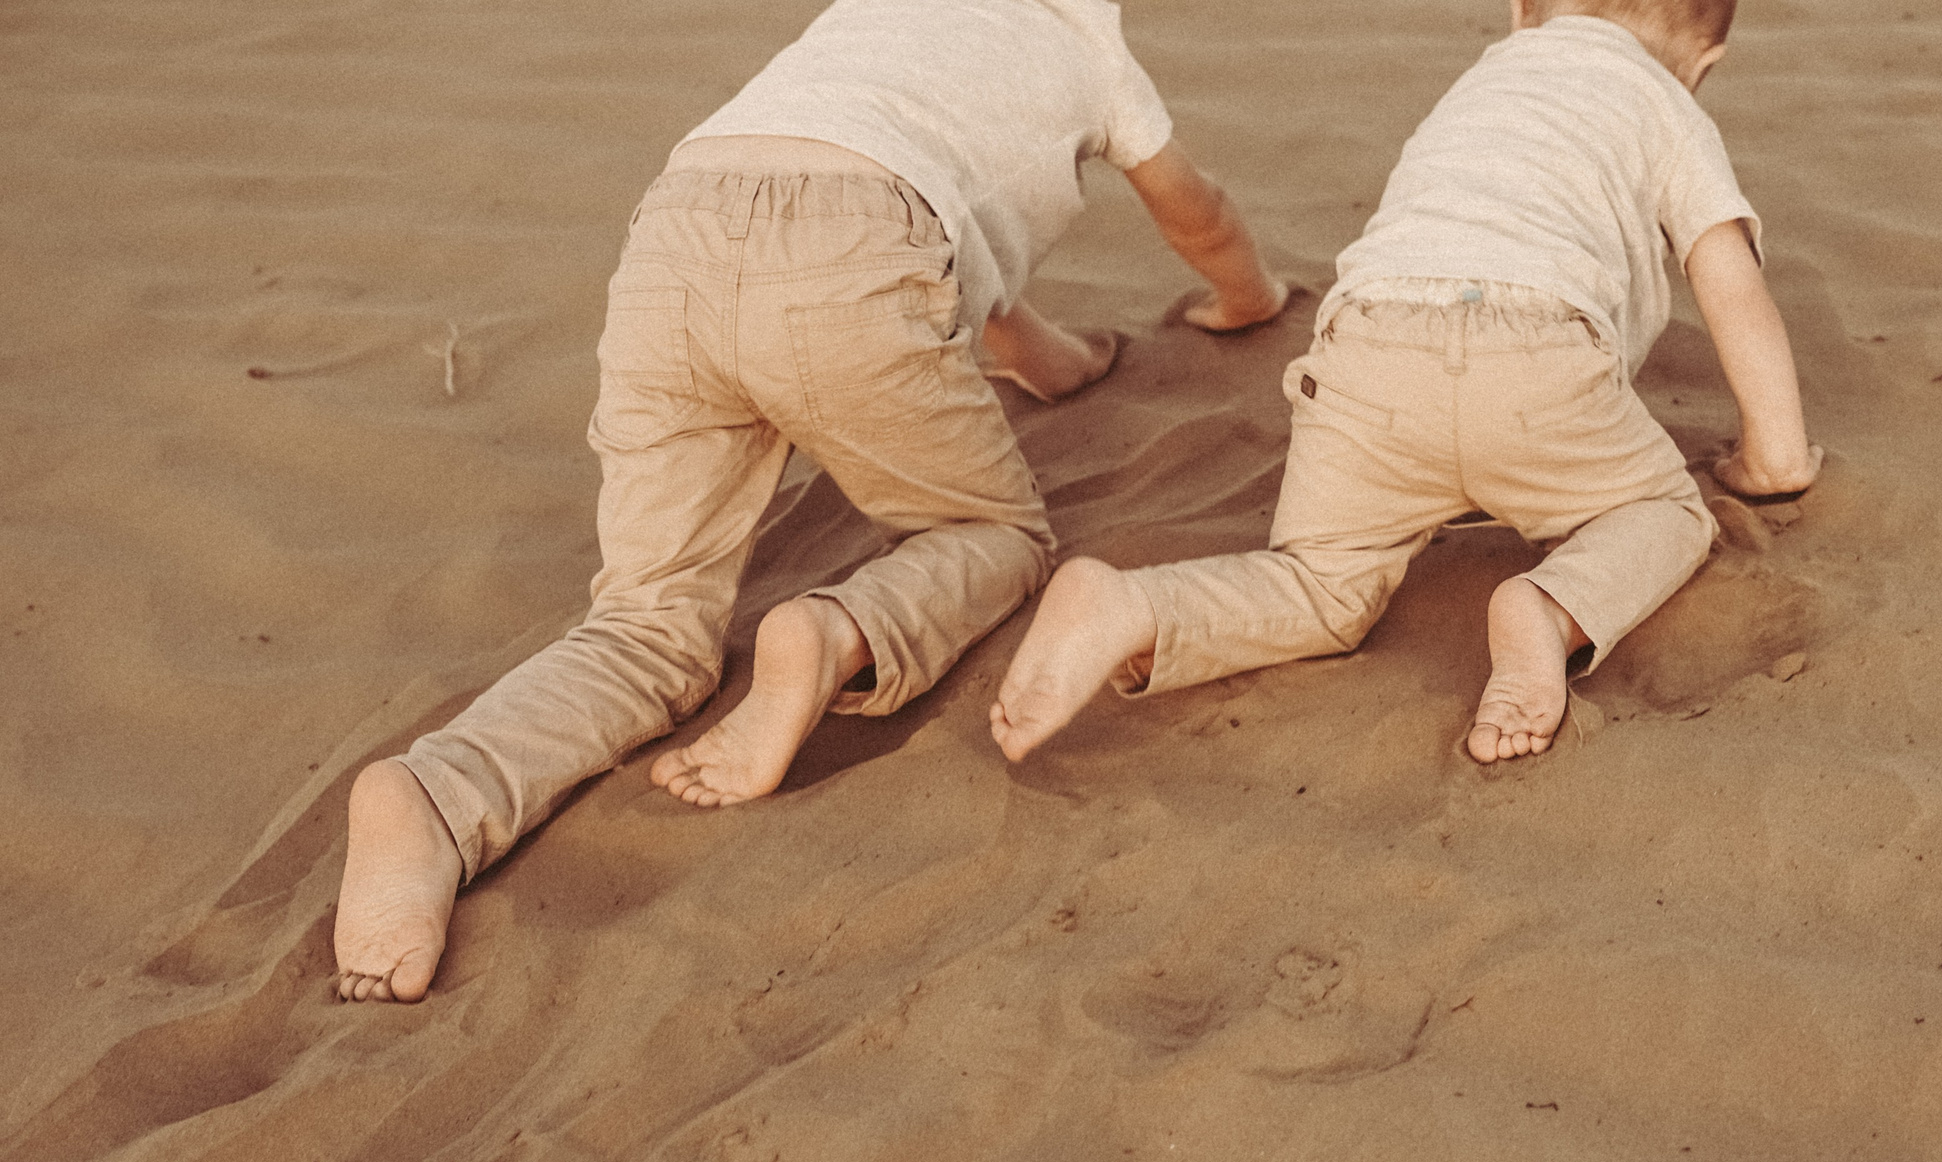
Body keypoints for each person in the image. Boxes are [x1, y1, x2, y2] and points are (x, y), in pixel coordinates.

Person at [334, 0, 1289, 1002]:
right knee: (993, 532)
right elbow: (1198, 214)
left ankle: (440, 798)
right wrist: (1249, 300)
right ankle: (836, 632)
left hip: (679, 233)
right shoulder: (1090, 48)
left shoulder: (873, 17)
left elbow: (950, 217)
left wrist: (1052, 361)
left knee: (644, 625)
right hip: (860, 258)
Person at [989, 0, 1819, 765]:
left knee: (1321, 584)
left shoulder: (1485, 79)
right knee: (1664, 512)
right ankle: (1551, 610)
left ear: (1522, 10)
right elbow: (1730, 280)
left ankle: (1135, 609)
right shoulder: (1669, 105)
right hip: (1535, 355)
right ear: (1703, 66)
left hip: (1365, 348)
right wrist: (1773, 459)